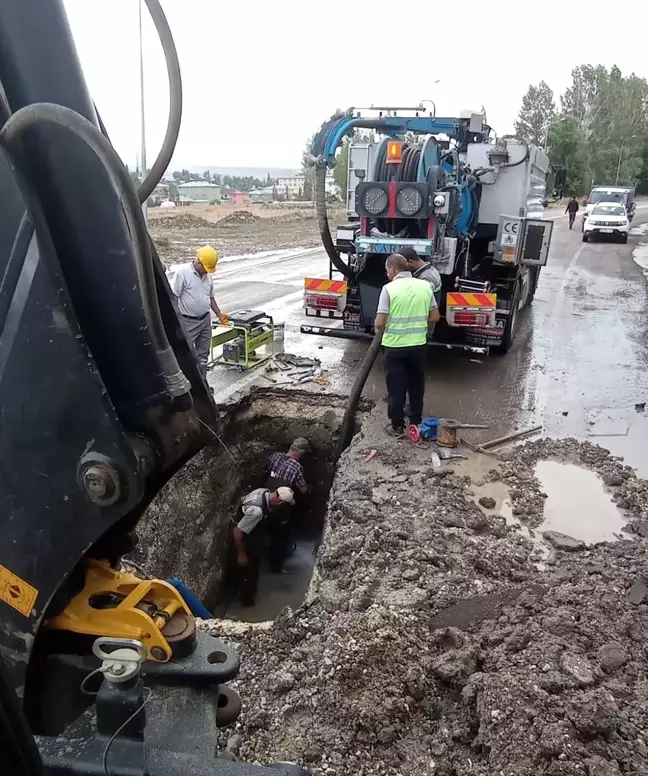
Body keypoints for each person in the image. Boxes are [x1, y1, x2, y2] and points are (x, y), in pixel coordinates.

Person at [375, 253, 440, 436]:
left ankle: (397, 425)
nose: (387, 273)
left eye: (387, 270)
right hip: (418, 346)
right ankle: (415, 422)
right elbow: (435, 317)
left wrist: (387, 325)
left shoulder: (389, 289)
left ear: (393, 269)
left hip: (394, 347)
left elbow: (380, 323)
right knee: (416, 385)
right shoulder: (425, 286)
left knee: (396, 387)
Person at [166, 245, 228, 376]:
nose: (207, 271)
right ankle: (186, 385)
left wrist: (219, 314)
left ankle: (203, 382)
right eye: (206, 268)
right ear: (199, 261)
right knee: (184, 353)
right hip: (188, 322)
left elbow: (210, 297)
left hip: (205, 320)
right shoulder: (182, 274)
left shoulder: (207, 276)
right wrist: (175, 321)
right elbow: (173, 297)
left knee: (203, 353)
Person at [231, 486, 295, 606]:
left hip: (252, 531)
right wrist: (242, 554)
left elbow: (243, 500)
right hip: (247, 542)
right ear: (280, 502)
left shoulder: (263, 491)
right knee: (250, 573)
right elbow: (237, 531)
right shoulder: (257, 511)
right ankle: (247, 602)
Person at [266, 438, 310, 573]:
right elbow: (303, 489)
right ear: (301, 454)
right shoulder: (296, 468)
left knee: (269, 532)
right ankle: (276, 567)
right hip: (280, 510)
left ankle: (267, 554)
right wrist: (310, 488)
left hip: (266, 502)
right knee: (281, 538)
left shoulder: (274, 457)